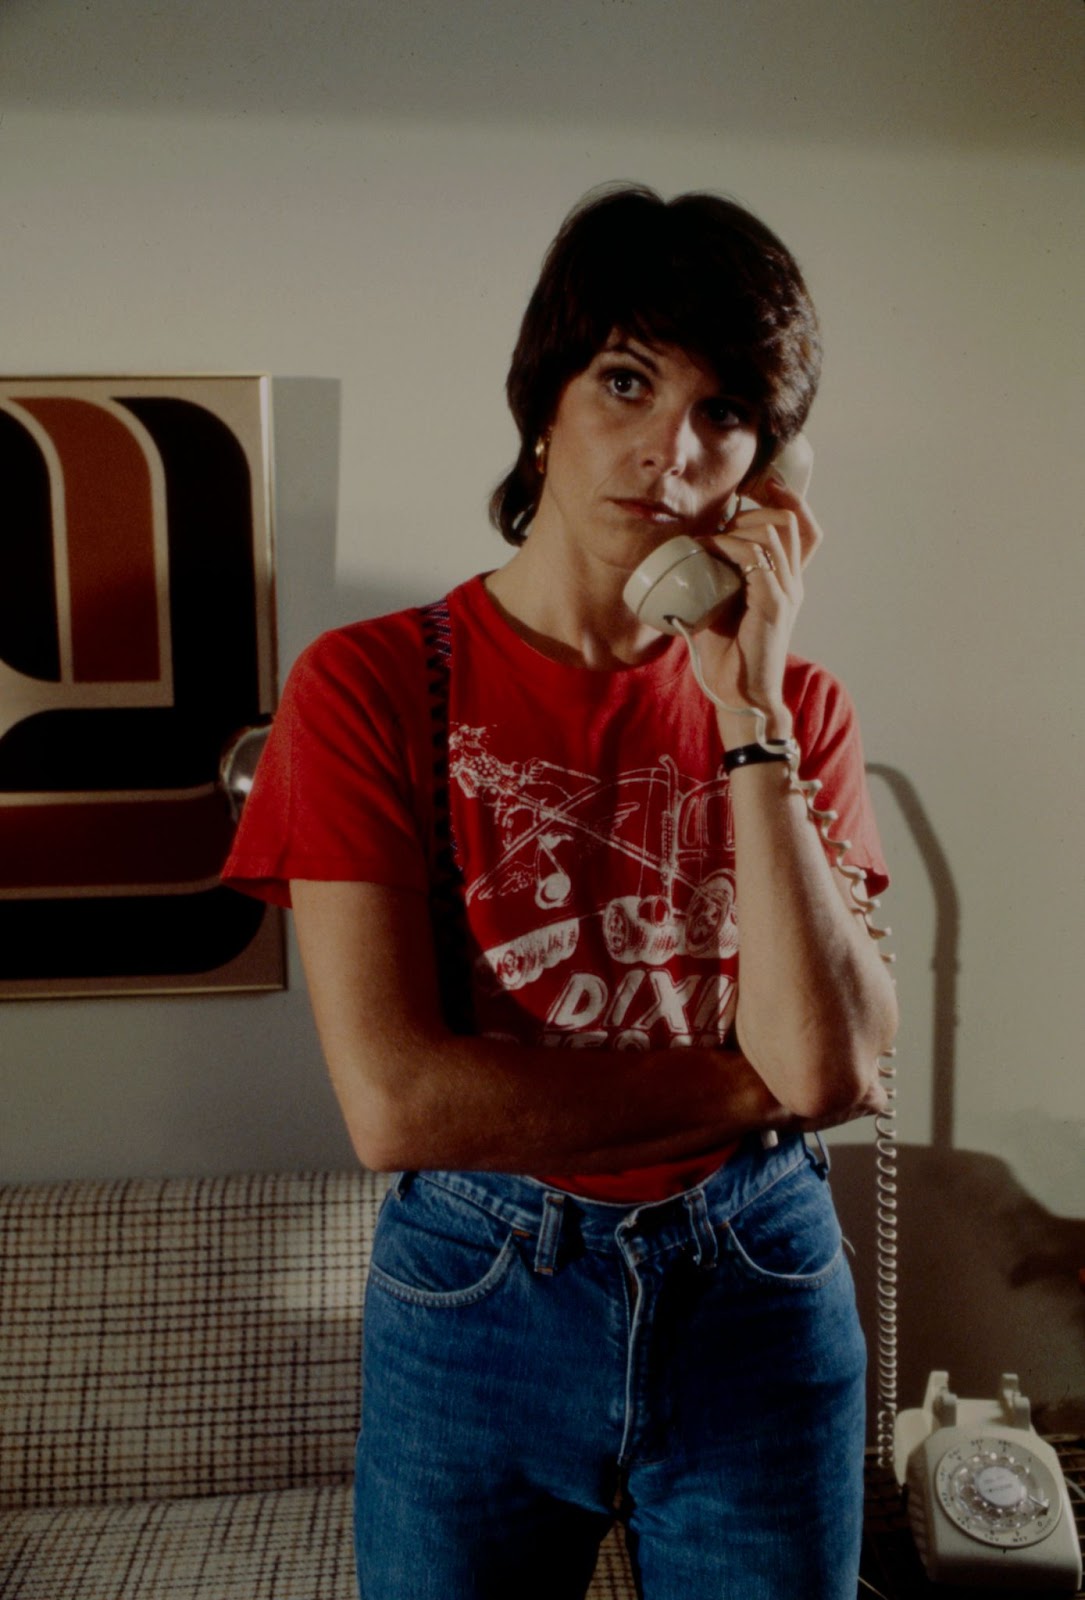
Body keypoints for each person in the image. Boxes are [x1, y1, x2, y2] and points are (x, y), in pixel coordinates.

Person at [223, 183, 899, 1600]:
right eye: (628, 381)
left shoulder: (798, 712)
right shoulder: (368, 687)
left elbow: (830, 1061)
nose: (672, 448)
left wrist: (747, 708)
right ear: (545, 402)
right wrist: (738, 1084)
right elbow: (399, 1105)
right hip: (481, 1294)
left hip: (757, 1285)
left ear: (767, 480)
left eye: (725, 415)